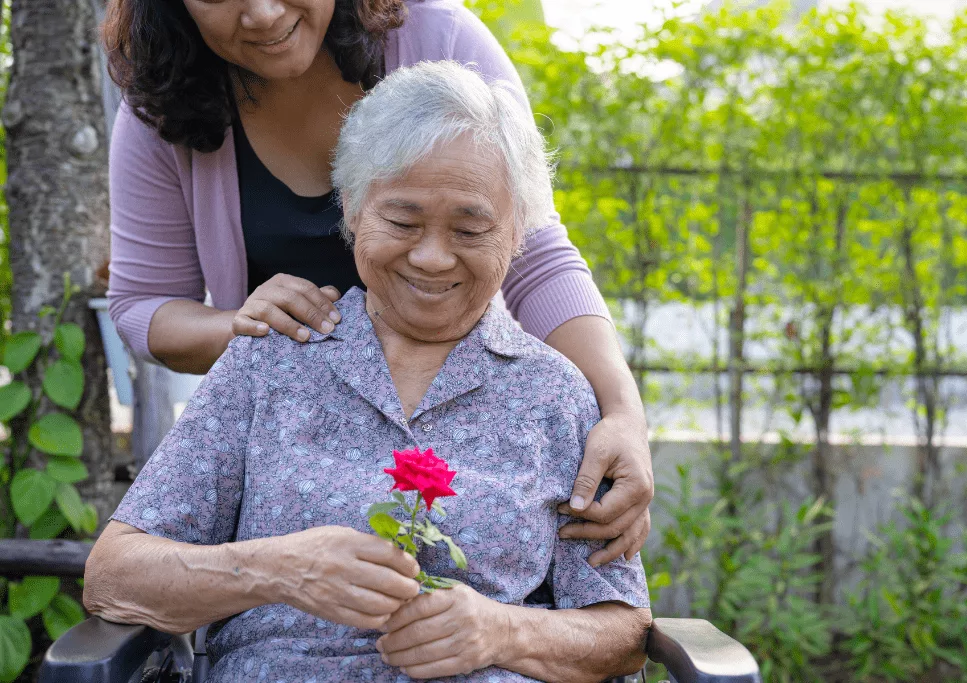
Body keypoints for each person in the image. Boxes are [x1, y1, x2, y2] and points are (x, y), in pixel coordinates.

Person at [84, 61, 652, 682]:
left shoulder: (557, 396)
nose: (432, 257)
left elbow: (622, 631)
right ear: (352, 210)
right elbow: (114, 575)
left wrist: (504, 630)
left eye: (470, 228)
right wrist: (277, 569)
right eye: (402, 222)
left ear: (517, 234)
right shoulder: (272, 360)